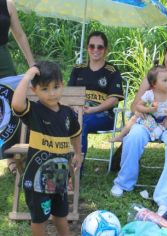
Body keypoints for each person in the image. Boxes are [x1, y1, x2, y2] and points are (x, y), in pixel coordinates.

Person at [111, 39, 167, 216]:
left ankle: (166, 198)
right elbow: (135, 104)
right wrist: (144, 111)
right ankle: (123, 182)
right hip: (150, 121)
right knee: (134, 135)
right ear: (165, 55)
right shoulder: (154, 74)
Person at [11, 61, 82, 235]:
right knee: (40, 219)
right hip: (37, 179)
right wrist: (27, 76)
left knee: (61, 214)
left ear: (62, 85)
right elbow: (17, 104)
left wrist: (78, 153)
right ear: (34, 90)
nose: (51, 93)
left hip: (59, 175)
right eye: (44, 89)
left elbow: (76, 133)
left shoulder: (67, 113)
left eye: (56, 87)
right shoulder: (34, 111)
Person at [68, 31, 123, 172]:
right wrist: (75, 107)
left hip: (103, 115)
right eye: (92, 46)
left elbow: (114, 99)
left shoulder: (112, 71)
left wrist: (93, 110)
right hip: (78, 111)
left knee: (82, 123)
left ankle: (75, 172)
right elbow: (68, 95)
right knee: (63, 119)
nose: (95, 50)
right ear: (87, 48)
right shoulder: (78, 69)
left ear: (106, 50)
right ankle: (58, 164)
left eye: (100, 47)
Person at [110, 64, 167, 144]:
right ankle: (121, 136)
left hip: (166, 119)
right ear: (154, 84)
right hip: (152, 119)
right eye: (165, 80)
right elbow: (138, 106)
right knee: (134, 118)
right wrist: (148, 109)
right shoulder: (149, 94)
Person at [1, 0, 35, 174]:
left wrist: (32, 64)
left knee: (12, 103)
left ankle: (12, 156)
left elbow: (20, 35)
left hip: (3, 59)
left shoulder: (8, 4)